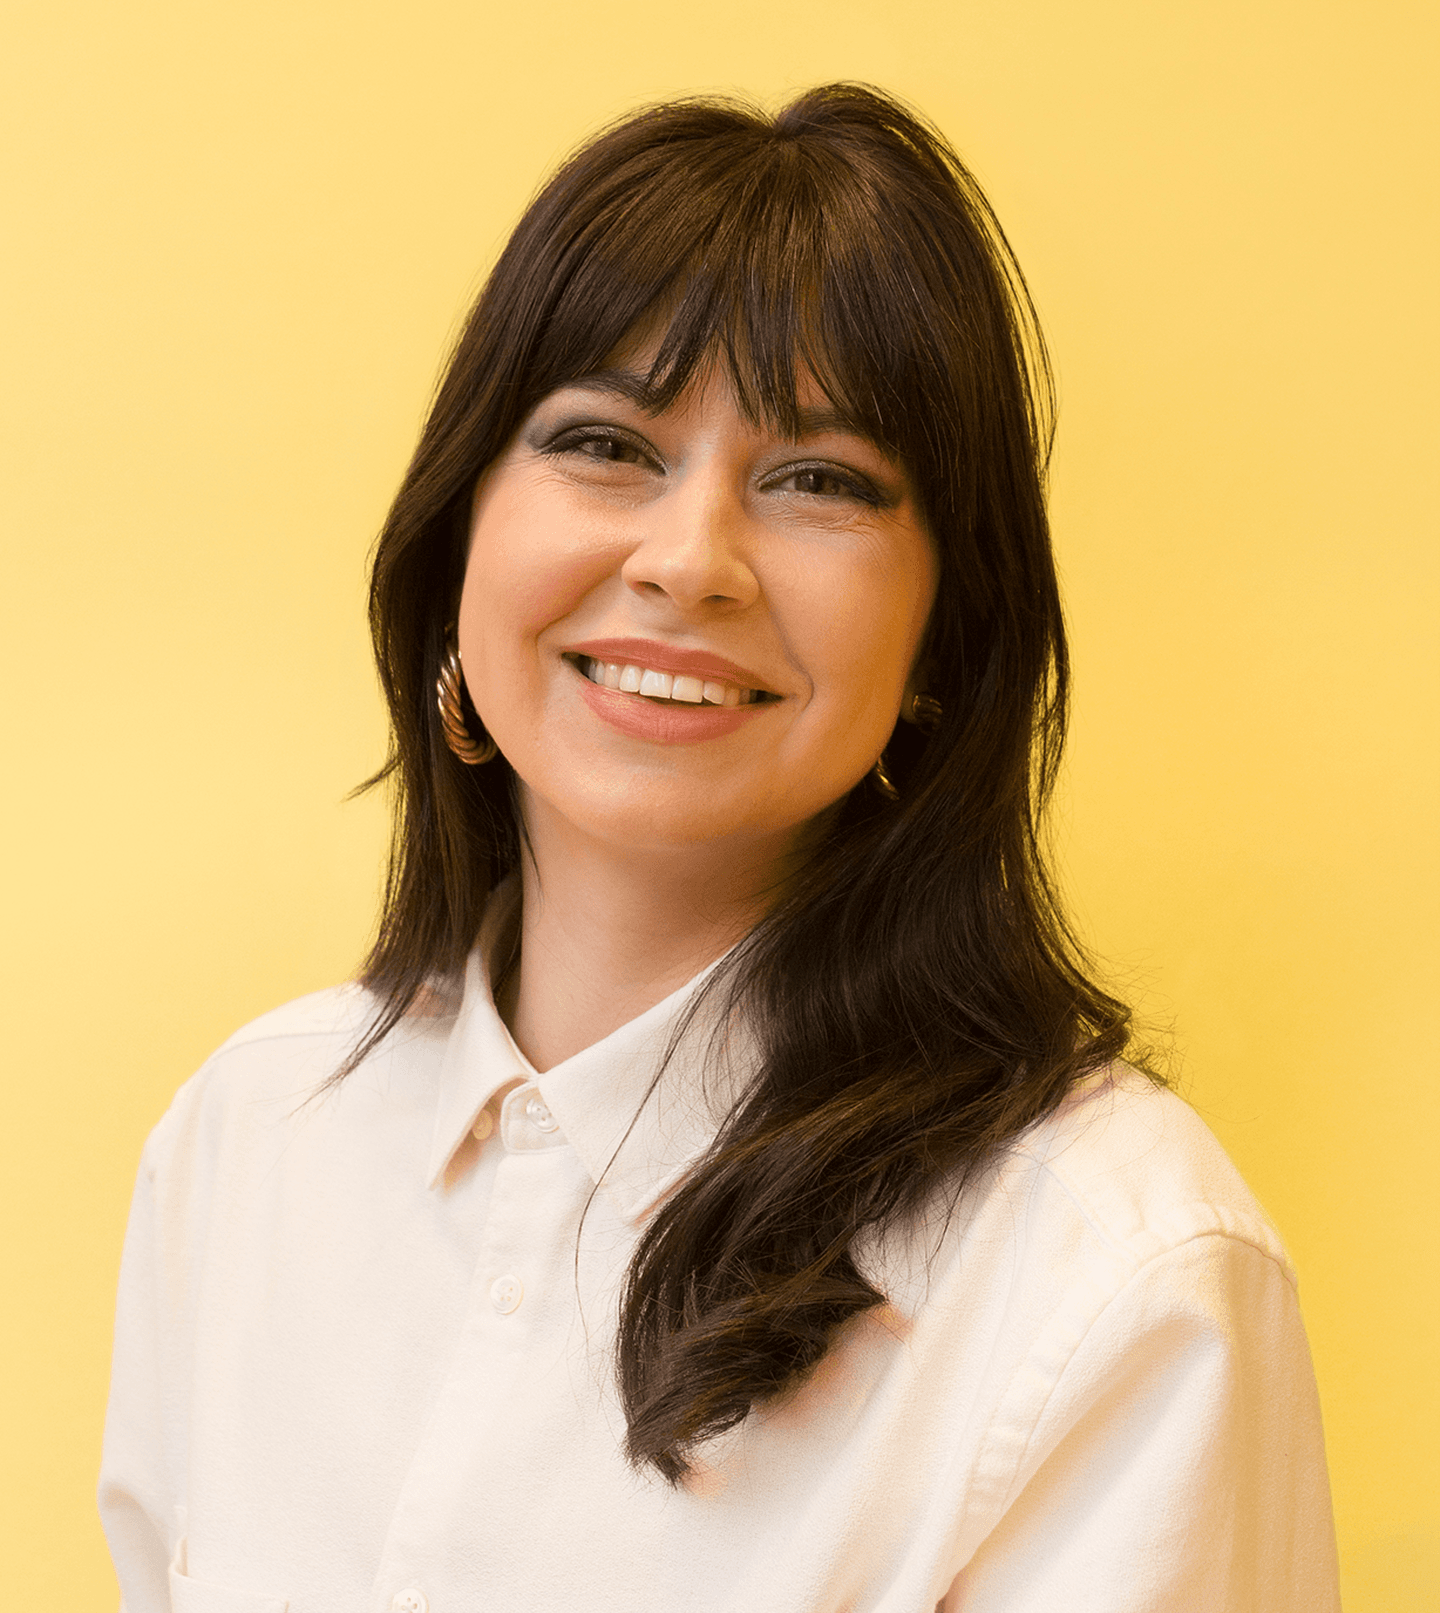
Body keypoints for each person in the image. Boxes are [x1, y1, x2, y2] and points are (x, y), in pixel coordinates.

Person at [99, 84, 1341, 1612]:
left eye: (819, 481)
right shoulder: (249, 1137)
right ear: (456, 542)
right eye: (607, 444)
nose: (690, 562)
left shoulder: (1116, 1277)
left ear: (944, 637)